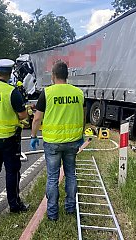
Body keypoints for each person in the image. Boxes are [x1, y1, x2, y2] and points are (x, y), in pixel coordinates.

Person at [30, 61, 85, 221]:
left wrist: (33, 137)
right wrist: (80, 134)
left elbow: (37, 118)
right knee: (70, 175)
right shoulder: (78, 93)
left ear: (53, 76)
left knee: (53, 177)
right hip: (73, 141)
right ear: (67, 75)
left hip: (53, 142)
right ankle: (70, 208)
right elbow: (82, 117)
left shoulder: (47, 93)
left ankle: (53, 213)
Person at [0, 59, 30, 213]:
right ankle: (14, 204)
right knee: (12, 171)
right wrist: (27, 110)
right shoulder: (11, 91)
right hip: (9, 137)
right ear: (9, 74)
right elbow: (22, 116)